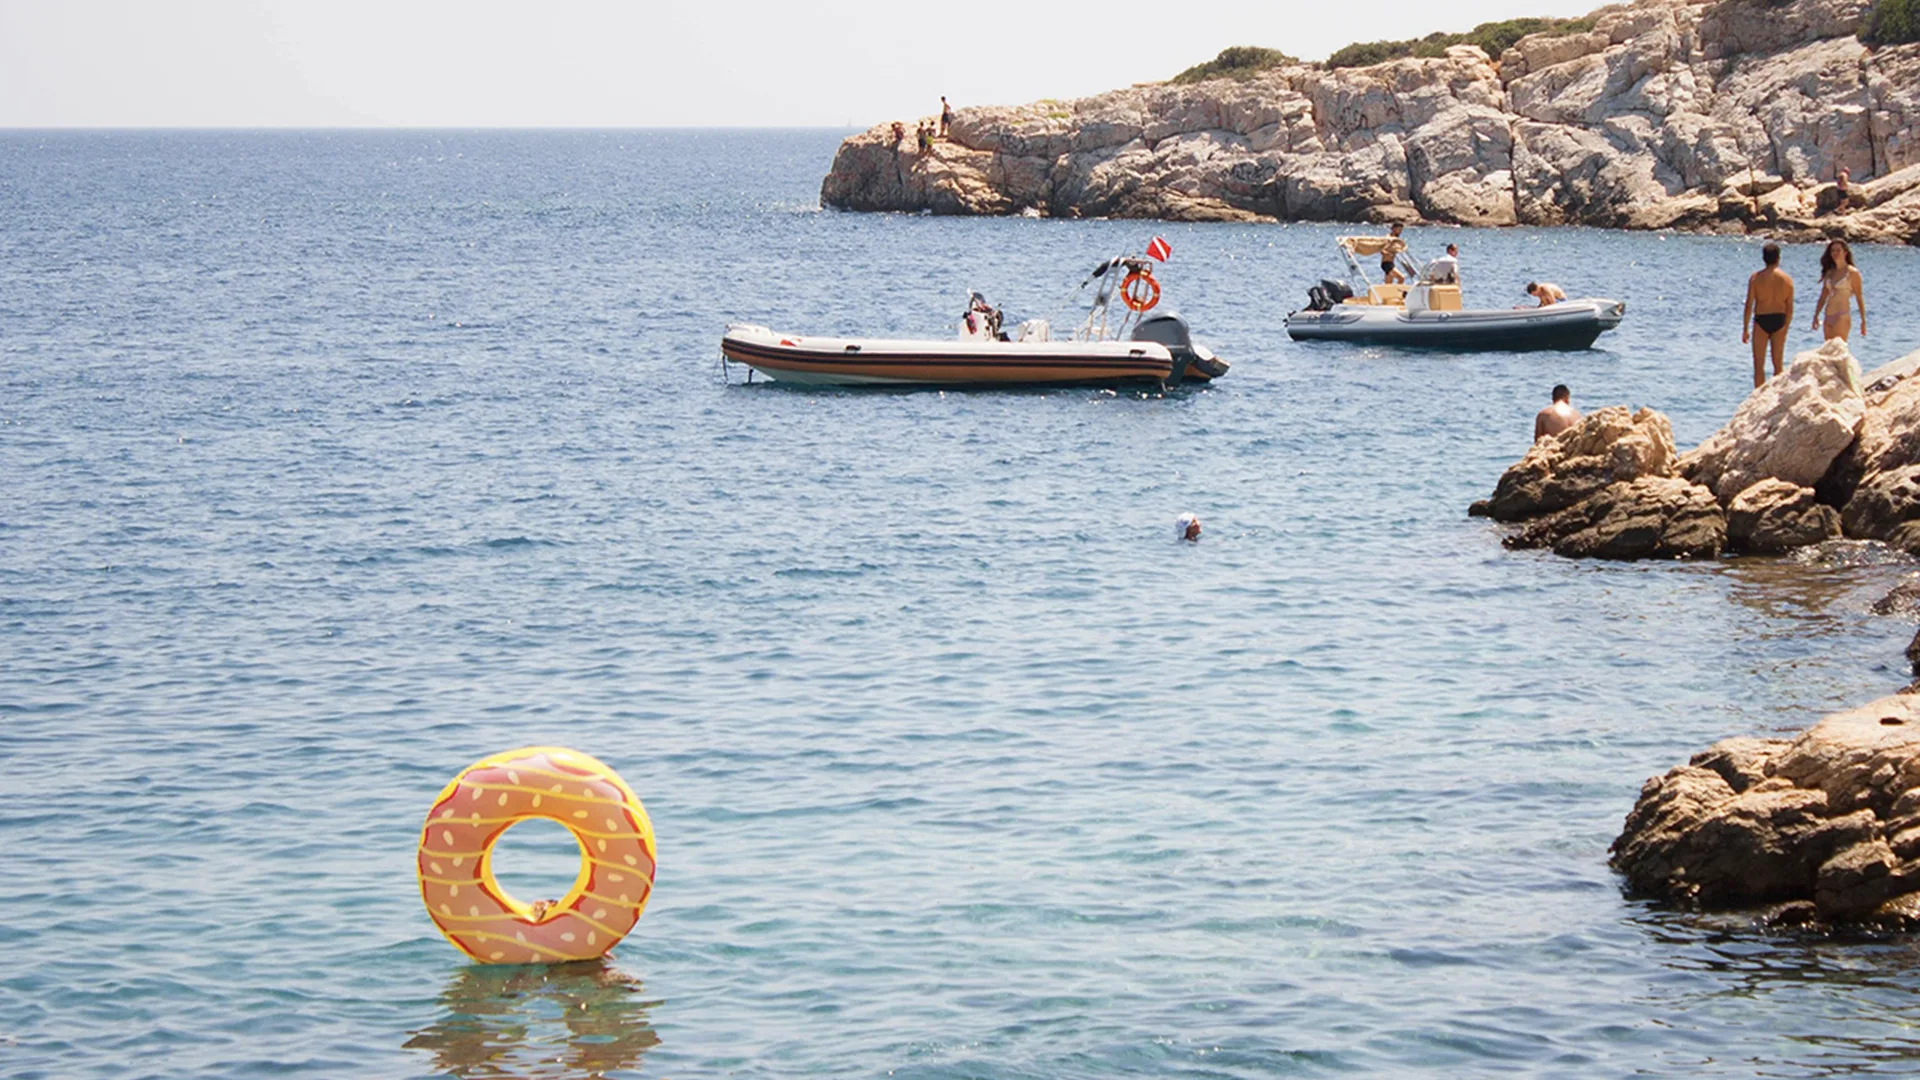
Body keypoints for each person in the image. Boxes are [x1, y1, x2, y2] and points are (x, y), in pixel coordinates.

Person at [1742, 241, 1794, 387]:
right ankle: (1777, 396)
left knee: (1759, 365)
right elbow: (1789, 307)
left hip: (1761, 320)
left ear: (1763, 258)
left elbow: (1749, 305)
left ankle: (1758, 397)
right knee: (1778, 364)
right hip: (1780, 319)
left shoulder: (1755, 278)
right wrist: (1786, 325)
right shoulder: (1787, 279)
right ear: (1779, 258)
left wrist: (1745, 329)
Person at [1811, 239, 1866, 342]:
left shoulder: (1852, 273)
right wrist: (1816, 315)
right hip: (1828, 315)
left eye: (1838, 250)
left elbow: (1859, 297)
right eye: (1833, 251)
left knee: (1839, 350)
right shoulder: (1830, 272)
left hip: (1841, 315)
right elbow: (1823, 296)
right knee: (1828, 350)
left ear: (1845, 252)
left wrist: (1863, 321)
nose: (1835, 253)